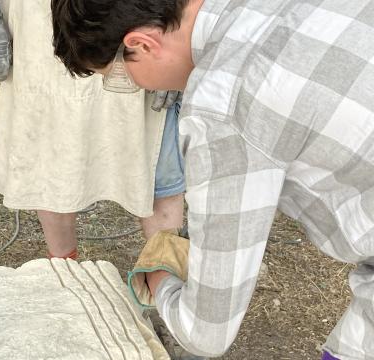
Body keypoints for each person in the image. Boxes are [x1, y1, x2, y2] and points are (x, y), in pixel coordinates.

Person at [50, 0, 374, 359]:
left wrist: (158, 279)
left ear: (142, 45)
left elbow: (205, 333)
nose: (137, 87)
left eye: (121, 78)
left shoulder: (221, 108)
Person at [0, 0, 185, 260]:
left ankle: (168, 275)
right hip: (40, 18)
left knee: (157, 156)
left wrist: (175, 41)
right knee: (51, 143)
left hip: (141, 12)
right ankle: (64, 271)